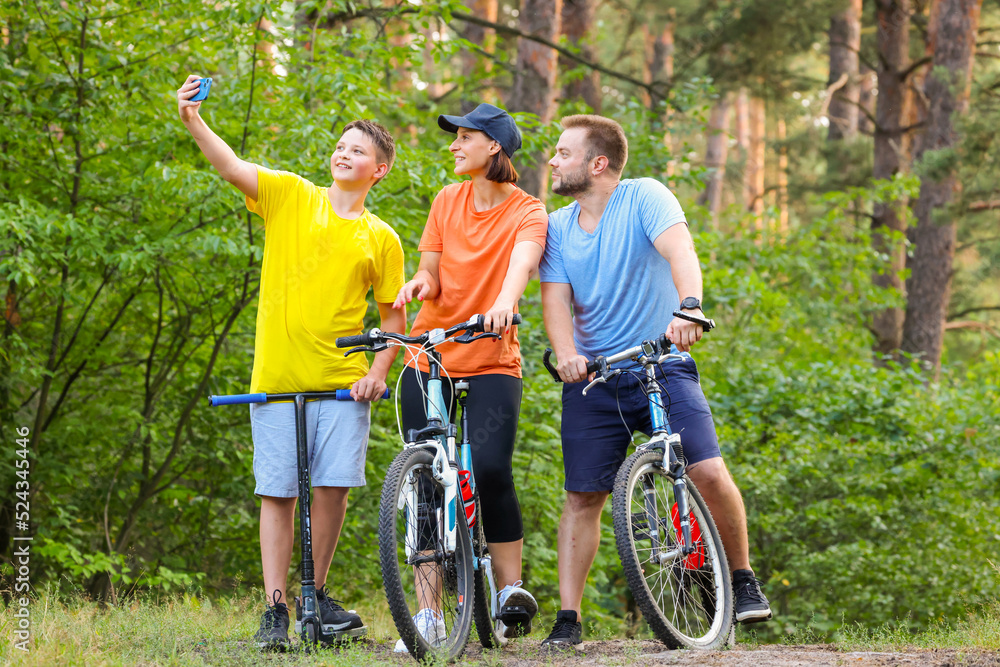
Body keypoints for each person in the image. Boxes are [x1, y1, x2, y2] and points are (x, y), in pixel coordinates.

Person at [176, 75, 407, 650]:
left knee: (332, 489)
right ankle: (274, 608)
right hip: (276, 380)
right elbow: (232, 166)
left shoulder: (382, 238)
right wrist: (193, 120)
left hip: (340, 384)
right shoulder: (291, 194)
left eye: (358, 150)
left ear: (379, 170)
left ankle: (315, 598)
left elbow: (392, 318)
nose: (343, 153)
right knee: (277, 491)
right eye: (341, 145)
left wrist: (376, 375)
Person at [538, 114, 772, 648]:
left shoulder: (645, 196)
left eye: (562, 153)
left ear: (597, 164)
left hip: (660, 361)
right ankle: (568, 620)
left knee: (707, 469)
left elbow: (680, 253)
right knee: (582, 496)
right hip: (594, 375)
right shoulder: (556, 225)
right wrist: (567, 355)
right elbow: (555, 298)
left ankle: (742, 578)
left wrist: (689, 308)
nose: (552, 161)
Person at [391, 103, 547, 650]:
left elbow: (520, 267)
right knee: (425, 483)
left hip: (491, 358)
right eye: (454, 138)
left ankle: (509, 596)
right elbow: (431, 272)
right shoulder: (445, 199)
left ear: (494, 148)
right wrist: (418, 286)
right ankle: (430, 614)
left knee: (490, 467)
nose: (454, 147)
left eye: (464, 138)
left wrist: (504, 305)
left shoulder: (529, 211)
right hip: (429, 354)